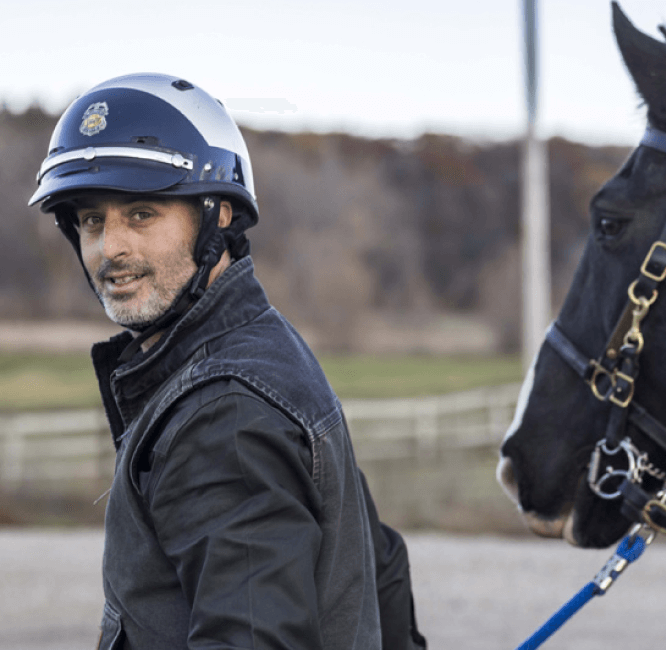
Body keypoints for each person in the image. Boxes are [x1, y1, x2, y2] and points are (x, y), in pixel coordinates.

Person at [29, 73, 426, 650]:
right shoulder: (264, 349)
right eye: (92, 220)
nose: (110, 248)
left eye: (141, 214)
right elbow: (379, 560)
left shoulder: (223, 412)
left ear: (216, 216)